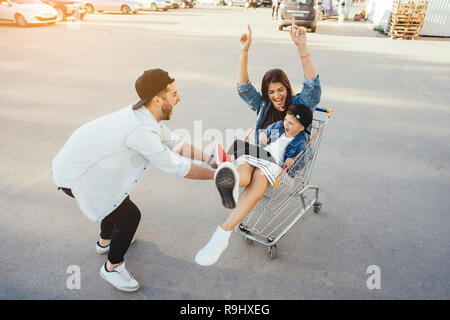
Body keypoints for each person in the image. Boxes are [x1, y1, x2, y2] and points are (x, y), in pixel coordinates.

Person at [51, 69, 218, 292]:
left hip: (80, 167)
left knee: (117, 198)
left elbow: (175, 143)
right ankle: (112, 267)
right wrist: (218, 176)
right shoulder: (140, 129)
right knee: (129, 215)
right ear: (158, 99)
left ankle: (105, 241)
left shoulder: (144, 113)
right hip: (76, 176)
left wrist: (210, 159)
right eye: (174, 93)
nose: (179, 98)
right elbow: (177, 166)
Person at [195, 104, 313, 266]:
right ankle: (232, 180)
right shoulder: (278, 126)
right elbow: (263, 134)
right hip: (261, 157)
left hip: (278, 169)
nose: (286, 124)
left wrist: (292, 161)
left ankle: (228, 164)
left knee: (257, 165)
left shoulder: (300, 142)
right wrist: (263, 136)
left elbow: (302, 159)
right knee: (247, 156)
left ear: (301, 127)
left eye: (291, 123)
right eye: (286, 119)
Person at [236, 22, 321, 145]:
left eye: (280, 90)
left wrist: (301, 47)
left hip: (285, 162)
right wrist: (244, 52)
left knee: (244, 156)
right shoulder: (264, 106)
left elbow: (312, 87)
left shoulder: (298, 107)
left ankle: (220, 162)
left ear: (287, 88)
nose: (276, 96)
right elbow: (244, 89)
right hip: (262, 157)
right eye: (271, 92)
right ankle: (221, 162)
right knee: (239, 150)